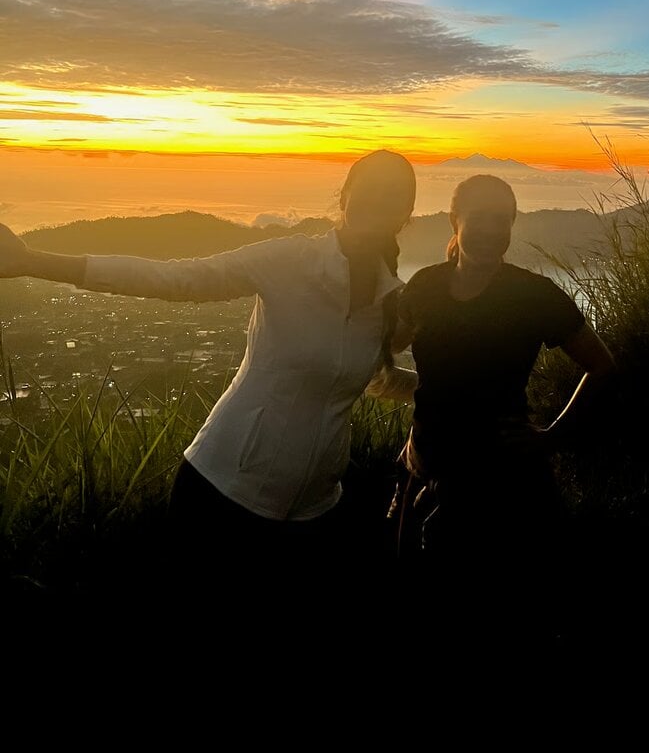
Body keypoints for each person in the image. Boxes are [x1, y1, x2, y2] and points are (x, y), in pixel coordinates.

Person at [0, 149, 418, 615]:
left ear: (406, 214)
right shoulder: (288, 259)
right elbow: (176, 278)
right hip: (223, 491)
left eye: (392, 198)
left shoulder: (389, 298)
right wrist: (32, 260)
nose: (378, 205)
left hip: (317, 508)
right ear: (344, 197)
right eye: (368, 193)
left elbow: (373, 378)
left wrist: (464, 392)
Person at [382, 173, 616, 634]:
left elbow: (603, 365)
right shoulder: (426, 285)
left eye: (502, 220)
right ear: (455, 220)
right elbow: (388, 347)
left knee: (497, 607)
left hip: (501, 478)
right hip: (426, 465)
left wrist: (553, 437)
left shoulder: (532, 295)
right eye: (479, 218)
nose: (491, 230)